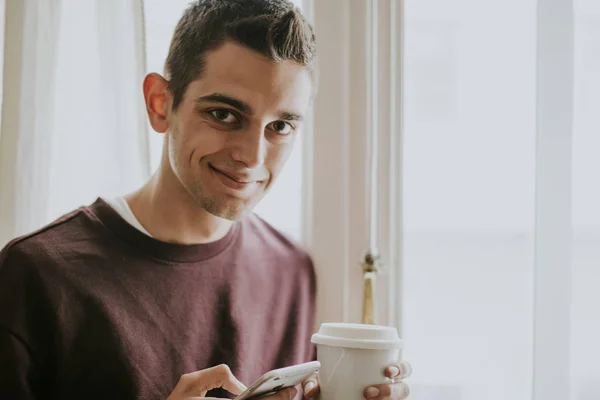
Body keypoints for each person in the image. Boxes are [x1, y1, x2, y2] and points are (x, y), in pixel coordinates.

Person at [0, 1, 411, 399]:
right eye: (224, 115)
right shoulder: (38, 274)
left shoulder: (291, 269)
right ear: (160, 103)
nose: (252, 157)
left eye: (280, 126)